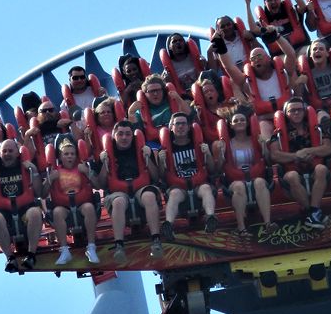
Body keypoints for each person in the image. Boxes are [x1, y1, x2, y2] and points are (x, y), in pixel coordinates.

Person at [95, 120, 164, 260]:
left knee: (149, 195)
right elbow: (101, 184)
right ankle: (119, 244)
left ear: (132, 136)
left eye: (127, 134)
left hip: (141, 188)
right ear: (114, 135)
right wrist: (104, 164)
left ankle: (156, 240)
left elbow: (156, 176)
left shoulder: (141, 148)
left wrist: (147, 157)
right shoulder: (106, 152)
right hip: (117, 192)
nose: (124, 137)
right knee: (119, 201)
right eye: (120, 134)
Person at [215, 26, 299, 138]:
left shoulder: (283, 73)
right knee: (263, 128)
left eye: (259, 56)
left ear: (268, 58)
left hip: (291, 116)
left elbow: (291, 54)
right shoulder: (247, 83)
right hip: (266, 121)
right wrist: (220, 46)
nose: (256, 60)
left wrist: (277, 37)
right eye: (253, 59)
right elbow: (229, 67)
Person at [269, 97, 331, 229]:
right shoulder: (279, 132)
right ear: (286, 113)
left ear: (304, 111)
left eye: (299, 110)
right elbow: (274, 155)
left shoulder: (317, 128)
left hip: (314, 166)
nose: (296, 113)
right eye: (292, 111)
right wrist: (295, 156)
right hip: (292, 170)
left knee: (321, 169)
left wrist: (308, 151)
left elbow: (328, 148)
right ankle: (313, 213)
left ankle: (313, 211)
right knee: (292, 176)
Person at [0, 138, 43, 272]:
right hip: (4, 215)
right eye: (4, 151)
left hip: (24, 211)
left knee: (35, 212)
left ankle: (31, 254)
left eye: (11, 150)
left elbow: (39, 192)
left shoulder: (25, 166)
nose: (7, 153)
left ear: (17, 153)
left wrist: (34, 170)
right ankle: (10, 258)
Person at [213, 106, 275, 236]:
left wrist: (264, 146)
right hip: (235, 180)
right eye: (236, 121)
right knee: (239, 187)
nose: (239, 122)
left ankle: (268, 224)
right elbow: (218, 169)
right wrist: (221, 155)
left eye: (242, 120)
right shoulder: (227, 144)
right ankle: (241, 228)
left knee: (259, 182)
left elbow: (268, 162)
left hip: (256, 176)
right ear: (231, 125)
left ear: (247, 123)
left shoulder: (255, 141)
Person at [158, 113, 218, 238]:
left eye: (183, 123)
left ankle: (211, 218)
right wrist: (161, 162)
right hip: (178, 186)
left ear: (189, 126)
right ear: (171, 127)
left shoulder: (199, 144)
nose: (181, 127)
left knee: (206, 188)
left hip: (199, 183)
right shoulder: (165, 149)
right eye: (177, 124)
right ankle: (168, 224)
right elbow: (162, 176)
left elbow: (212, 169)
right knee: (174, 194)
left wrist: (207, 154)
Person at [48, 139, 100, 266]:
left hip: (82, 203)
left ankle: (91, 247)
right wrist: (49, 179)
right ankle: (65, 250)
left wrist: (87, 172)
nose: (70, 156)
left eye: (72, 153)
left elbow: (97, 185)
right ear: (60, 156)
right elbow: (43, 193)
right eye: (66, 154)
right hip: (63, 205)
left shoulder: (81, 168)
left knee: (88, 207)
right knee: (57, 212)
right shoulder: (56, 171)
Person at [245, 0, 310, 54]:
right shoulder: (262, 20)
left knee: (309, 53)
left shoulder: (291, 11)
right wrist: (248, 4)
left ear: (280, 0)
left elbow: (303, 7)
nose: (273, 2)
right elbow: (253, 29)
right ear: (265, 4)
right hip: (281, 55)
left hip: (301, 47)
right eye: (269, 0)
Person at [128, 74, 190, 145]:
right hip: (155, 143)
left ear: (163, 90)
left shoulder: (174, 102)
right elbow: (136, 133)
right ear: (145, 94)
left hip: (178, 138)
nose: (155, 93)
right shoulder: (141, 111)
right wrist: (131, 113)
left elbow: (190, 116)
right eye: (151, 91)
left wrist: (179, 99)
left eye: (158, 90)